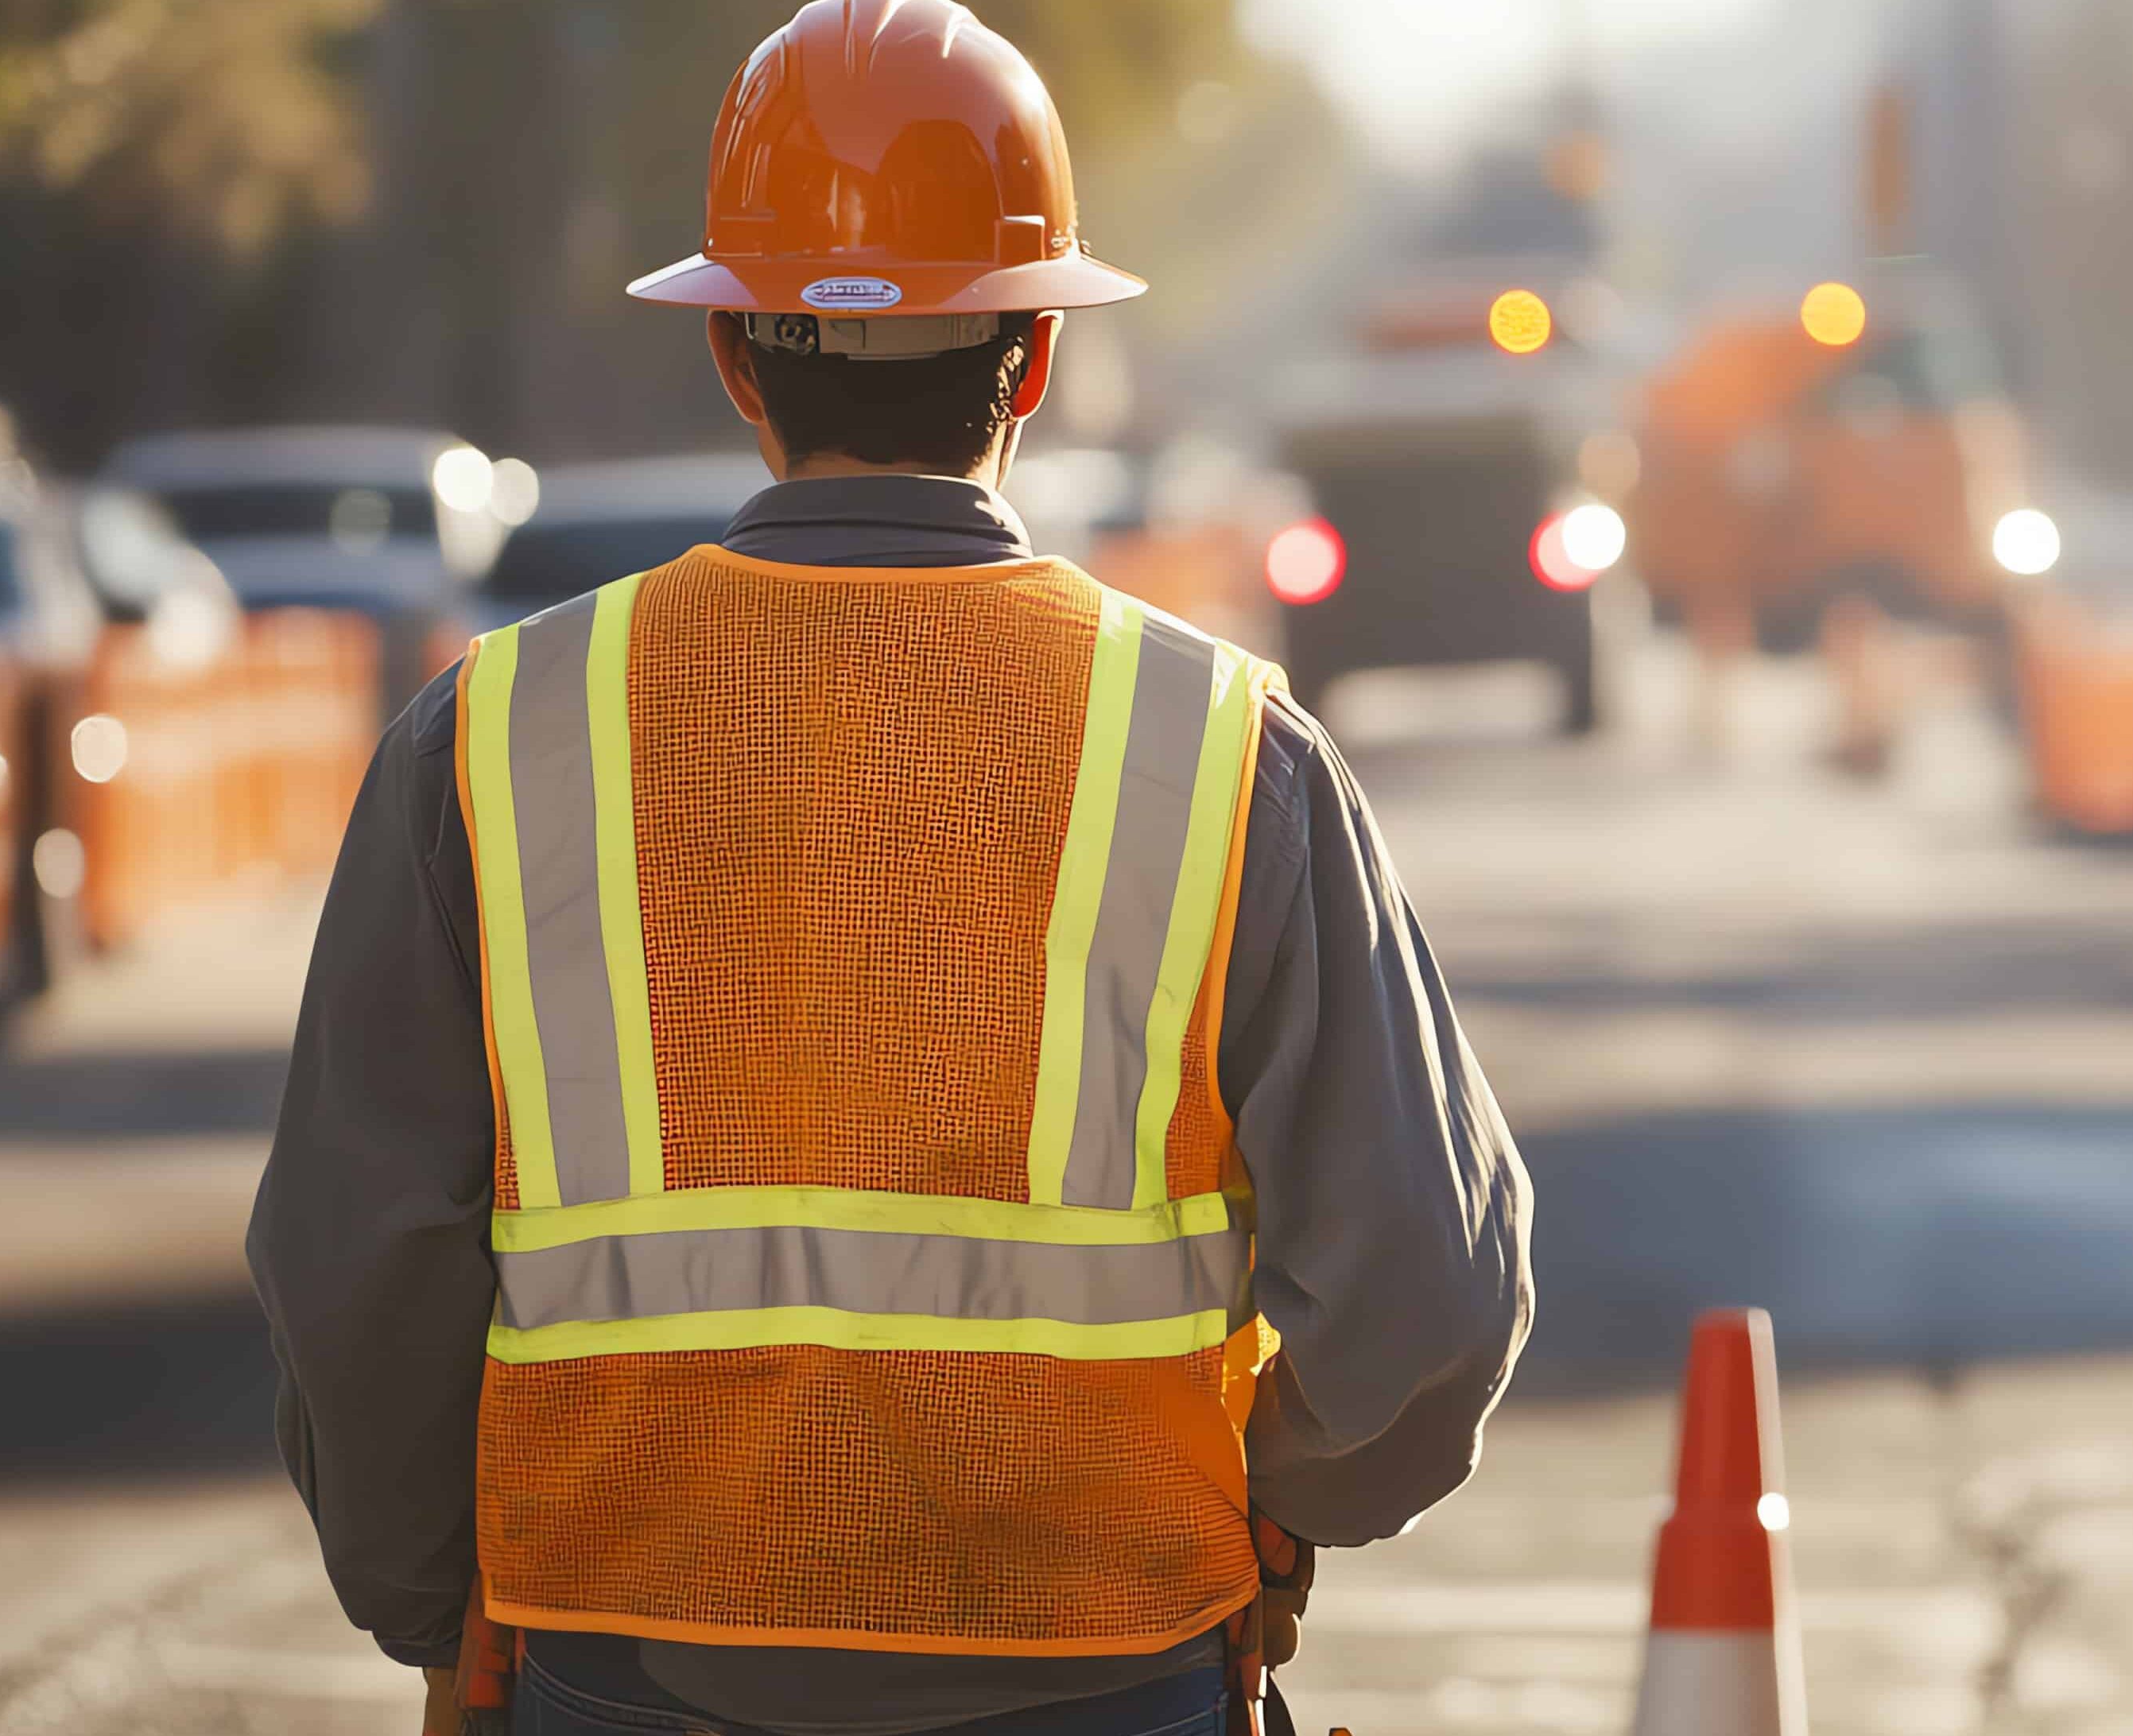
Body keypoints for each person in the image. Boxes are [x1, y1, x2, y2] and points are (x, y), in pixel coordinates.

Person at [246, 4, 1534, 1733]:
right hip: (1108, 1672)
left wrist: (433, 1600)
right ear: (1038, 353)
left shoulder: (489, 737)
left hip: (613, 1670)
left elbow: (356, 1260)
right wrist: (1278, 1516)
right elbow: (1433, 1293)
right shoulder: (1225, 746)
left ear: (731, 356)